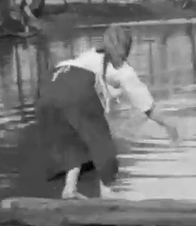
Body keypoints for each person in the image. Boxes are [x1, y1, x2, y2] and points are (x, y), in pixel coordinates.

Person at [36, 24, 179, 199]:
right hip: (75, 86)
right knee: (100, 140)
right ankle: (107, 191)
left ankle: (69, 188)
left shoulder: (89, 54)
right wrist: (169, 124)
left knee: (72, 140)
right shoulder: (123, 70)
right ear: (127, 47)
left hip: (49, 84)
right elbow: (147, 107)